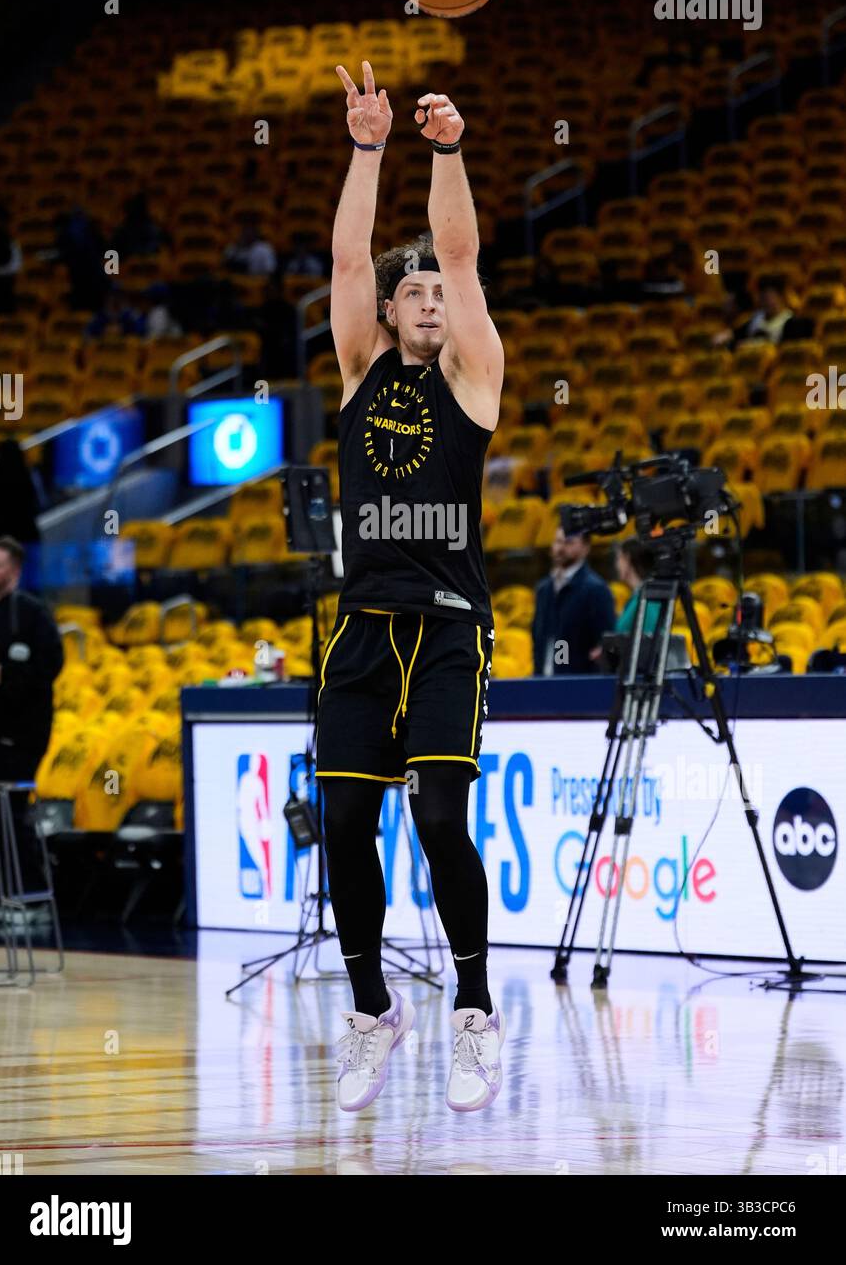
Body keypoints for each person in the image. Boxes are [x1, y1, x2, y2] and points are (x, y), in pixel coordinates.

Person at [316, 60, 506, 1114]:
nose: (431, 297)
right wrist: (367, 144)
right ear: (389, 313)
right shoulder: (358, 368)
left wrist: (443, 147)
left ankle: (472, 1011)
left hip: (444, 632)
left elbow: (465, 251)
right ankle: (370, 1010)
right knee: (345, 826)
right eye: (415, 291)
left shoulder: (473, 376)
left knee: (438, 818)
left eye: (439, 291)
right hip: (359, 633)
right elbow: (347, 254)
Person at [0, 538, 64, 920]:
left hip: (21, 733)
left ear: (13, 571)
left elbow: (52, 664)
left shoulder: (31, 613)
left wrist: (6, 674)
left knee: (10, 810)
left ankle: (30, 897)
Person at [532, 527, 616, 675]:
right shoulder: (543, 589)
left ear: (585, 548)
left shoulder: (596, 590)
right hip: (543, 681)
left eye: (569, 542)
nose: (561, 548)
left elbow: (604, 644)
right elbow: (540, 637)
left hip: (578, 684)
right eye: (558, 542)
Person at [614, 536, 661, 636]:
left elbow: (649, 643)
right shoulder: (637, 596)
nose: (616, 565)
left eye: (618, 558)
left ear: (627, 559)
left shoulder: (648, 600)